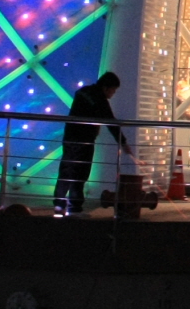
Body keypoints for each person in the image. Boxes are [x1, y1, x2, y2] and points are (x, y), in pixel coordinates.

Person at [55, 70, 133, 216]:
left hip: (70, 137)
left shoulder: (82, 92)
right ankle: (75, 208)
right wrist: (123, 143)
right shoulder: (100, 100)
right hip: (84, 141)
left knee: (66, 170)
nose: (112, 94)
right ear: (106, 87)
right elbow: (111, 123)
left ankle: (59, 205)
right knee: (80, 174)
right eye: (113, 90)